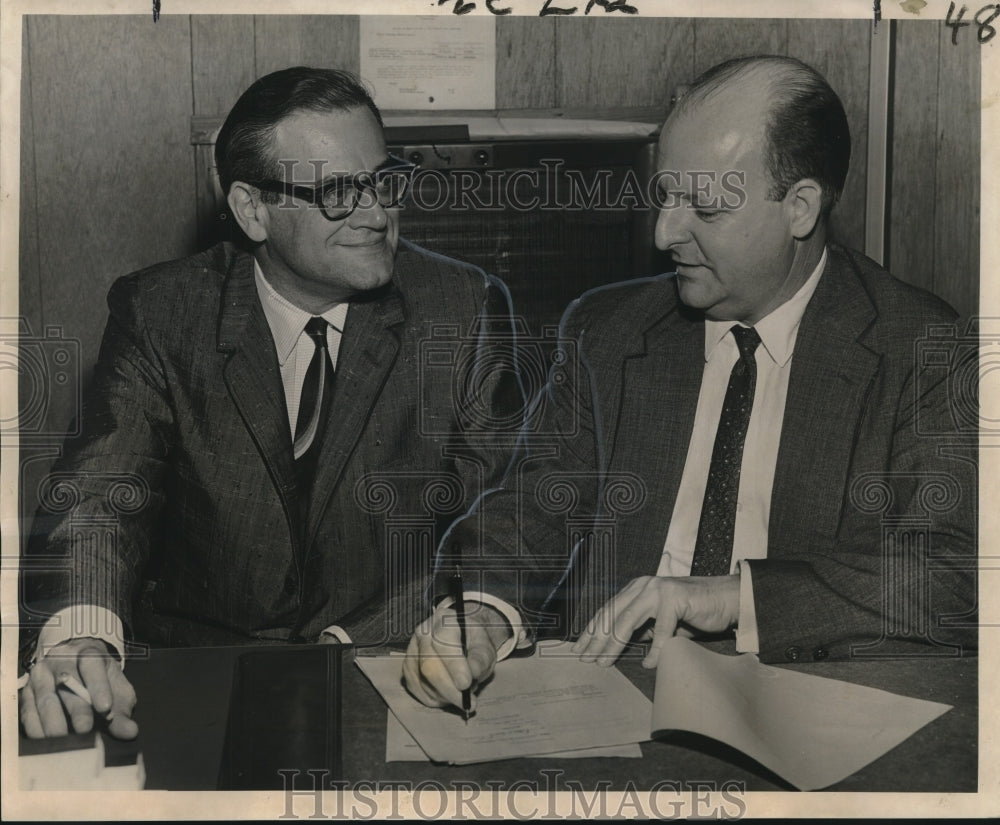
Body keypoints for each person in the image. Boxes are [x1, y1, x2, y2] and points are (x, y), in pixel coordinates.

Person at [402, 55, 977, 714]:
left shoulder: (923, 348)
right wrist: (478, 612)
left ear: (800, 207)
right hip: (617, 710)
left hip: (812, 714)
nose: (665, 232)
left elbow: (957, 575)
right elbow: (532, 511)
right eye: (666, 195)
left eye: (703, 206)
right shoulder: (608, 331)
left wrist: (733, 595)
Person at [19, 67, 522, 738]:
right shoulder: (164, 312)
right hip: (198, 678)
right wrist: (78, 635)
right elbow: (101, 494)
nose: (378, 212)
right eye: (341, 191)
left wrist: (381, 632)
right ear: (252, 209)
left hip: (396, 669)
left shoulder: (461, 307)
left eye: (384, 179)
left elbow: (503, 513)